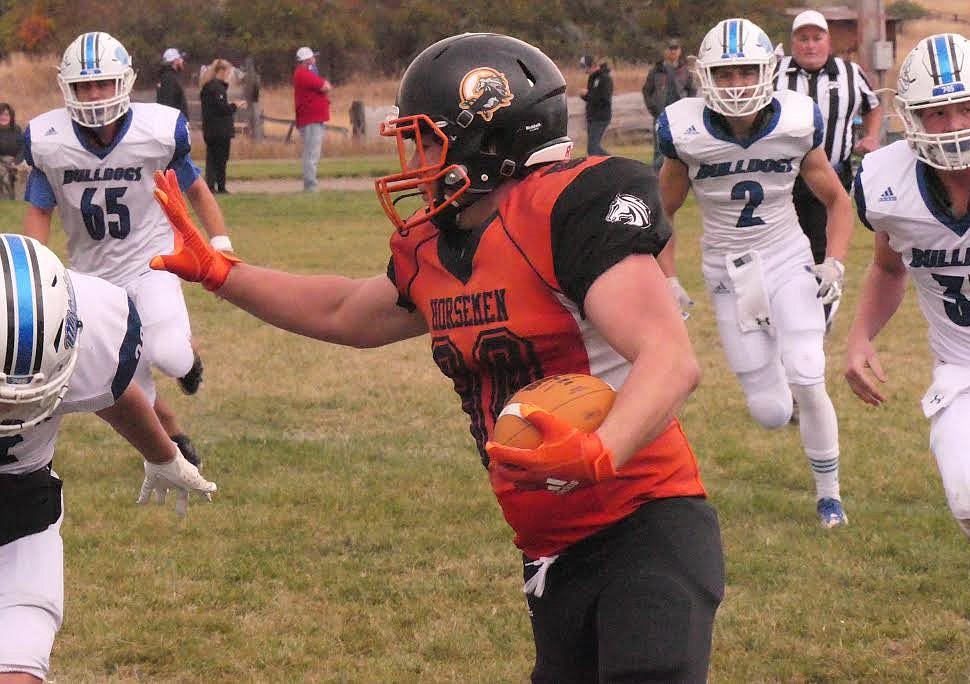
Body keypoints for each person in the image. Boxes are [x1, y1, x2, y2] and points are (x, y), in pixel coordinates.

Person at [151, 32, 724, 682]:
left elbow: (669, 359)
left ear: (486, 135)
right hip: (549, 550)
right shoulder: (438, 247)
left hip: (644, 526)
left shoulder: (563, 209)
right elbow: (343, 311)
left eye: (424, 137)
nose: (412, 157)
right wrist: (225, 275)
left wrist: (601, 449)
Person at [657, 18, 853, 528]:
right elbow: (662, 213)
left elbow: (836, 199)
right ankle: (786, 377)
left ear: (768, 70)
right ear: (706, 77)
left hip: (786, 254)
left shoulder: (795, 120)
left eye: (747, 71)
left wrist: (834, 259)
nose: (738, 84)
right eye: (726, 74)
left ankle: (829, 495)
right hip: (730, 271)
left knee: (809, 373)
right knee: (769, 411)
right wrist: (668, 277)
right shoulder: (686, 129)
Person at [847, 34, 970, 587]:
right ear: (911, 117)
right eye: (936, 112)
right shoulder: (883, 185)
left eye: (966, 107)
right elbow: (888, 268)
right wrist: (859, 338)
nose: (954, 126)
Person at [0, 234, 216, 683]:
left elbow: (110, 393)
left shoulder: (87, 331)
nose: (13, 413)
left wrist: (164, 456)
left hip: (20, 507)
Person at [22, 31, 235, 472]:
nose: (94, 95)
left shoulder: (155, 130)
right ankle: (172, 436)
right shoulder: (49, 141)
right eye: (84, 85)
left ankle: (187, 356)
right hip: (91, 274)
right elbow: (39, 210)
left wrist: (220, 244)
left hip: (152, 260)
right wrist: (34, 267)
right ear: (67, 88)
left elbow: (196, 189)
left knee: (169, 355)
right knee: (119, 376)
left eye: (102, 83)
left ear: (123, 82)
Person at [774, 9, 881, 320]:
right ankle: (788, 303)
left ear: (828, 41)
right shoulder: (774, 73)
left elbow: (873, 106)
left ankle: (823, 306)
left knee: (823, 240)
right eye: (803, 38)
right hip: (785, 175)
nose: (810, 45)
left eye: (816, 38)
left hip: (832, 172)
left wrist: (872, 136)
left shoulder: (851, 73)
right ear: (793, 42)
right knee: (787, 240)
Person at [643, 38, 696, 170]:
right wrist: (654, 109)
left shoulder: (685, 70)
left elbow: (692, 90)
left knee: (680, 147)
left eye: (676, 49)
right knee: (659, 149)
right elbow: (647, 91)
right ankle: (655, 177)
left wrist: (687, 108)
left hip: (680, 116)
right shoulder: (656, 70)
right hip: (661, 115)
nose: (673, 52)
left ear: (680, 51)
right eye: (670, 49)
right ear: (665, 51)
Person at [200, 58, 246, 194]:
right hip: (219, 130)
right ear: (221, 71)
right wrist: (234, 105)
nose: (229, 75)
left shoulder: (207, 86)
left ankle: (210, 185)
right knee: (220, 159)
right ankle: (220, 186)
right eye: (228, 72)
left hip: (210, 130)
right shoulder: (216, 87)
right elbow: (221, 108)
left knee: (211, 159)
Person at [293, 45, 331, 192]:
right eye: (312, 57)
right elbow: (325, 86)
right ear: (307, 60)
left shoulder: (305, 73)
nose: (314, 60)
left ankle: (310, 184)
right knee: (311, 154)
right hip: (311, 119)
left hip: (313, 119)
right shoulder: (304, 74)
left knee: (312, 153)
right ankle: (310, 186)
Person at [579, 54, 613, 156]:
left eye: (584, 67)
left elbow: (604, 98)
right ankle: (606, 164)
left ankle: (612, 162)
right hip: (592, 116)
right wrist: (585, 96)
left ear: (591, 65)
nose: (584, 70)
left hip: (601, 117)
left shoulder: (605, 78)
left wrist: (587, 94)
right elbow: (592, 98)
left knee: (593, 148)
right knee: (592, 148)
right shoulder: (592, 78)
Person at [155, 47, 189, 121]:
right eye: (180, 58)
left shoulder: (167, 76)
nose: (182, 61)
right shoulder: (169, 78)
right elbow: (168, 105)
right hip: (173, 124)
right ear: (175, 61)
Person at [0, 103, 23, 200]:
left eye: (6, 114)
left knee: (25, 171)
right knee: (3, 173)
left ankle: (20, 198)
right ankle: (7, 198)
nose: (3, 117)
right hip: (1, 162)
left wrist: (16, 162)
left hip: (15, 161)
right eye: (0, 114)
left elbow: (23, 148)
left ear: (11, 116)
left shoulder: (17, 129)